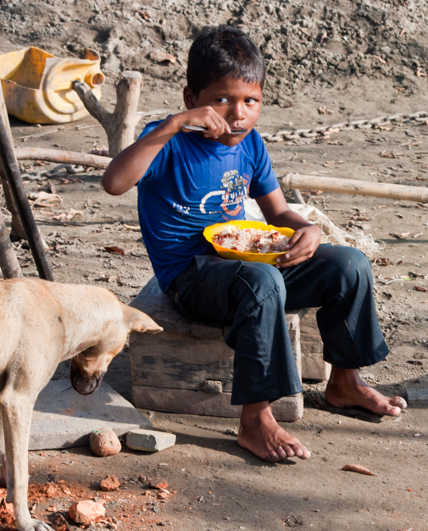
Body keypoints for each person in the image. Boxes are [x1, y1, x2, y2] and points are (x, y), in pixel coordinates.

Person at [102, 25, 405, 462]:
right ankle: (255, 418)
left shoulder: (250, 145)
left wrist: (308, 230)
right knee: (262, 283)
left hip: (245, 265)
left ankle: (344, 382)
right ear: (191, 99)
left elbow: (277, 212)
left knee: (348, 265)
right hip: (191, 278)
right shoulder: (169, 143)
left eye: (250, 101)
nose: (238, 114)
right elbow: (113, 182)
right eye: (221, 100)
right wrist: (171, 124)